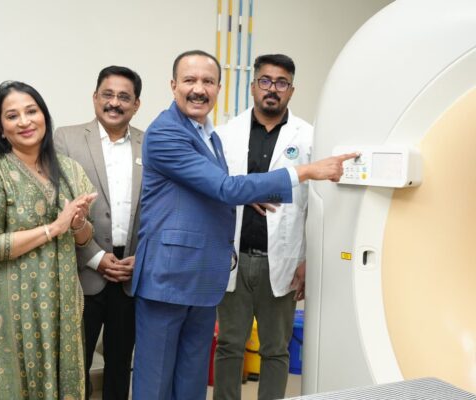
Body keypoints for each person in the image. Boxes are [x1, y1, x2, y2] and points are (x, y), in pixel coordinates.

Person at [130, 49, 356, 400]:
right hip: (169, 277)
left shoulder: (208, 135)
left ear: (219, 88)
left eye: (208, 81)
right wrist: (306, 171)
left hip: (204, 276)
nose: (199, 89)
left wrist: (245, 196)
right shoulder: (166, 133)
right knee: (157, 382)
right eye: (190, 80)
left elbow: (210, 188)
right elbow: (224, 187)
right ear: (173, 85)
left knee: (191, 381)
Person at [0, 81, 97, 400]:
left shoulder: (70, 170)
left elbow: (83, 238)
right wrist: (55, 227)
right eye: (12, 116)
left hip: (61, 300)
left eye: (31, 111)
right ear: (1, 129)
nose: (24, 121)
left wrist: (77, 224)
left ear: (44, 116)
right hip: (9, 303)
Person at [213, 54, 311, 400]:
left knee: (276, 348)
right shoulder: (225, 134)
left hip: (282, 259)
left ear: (291, 90)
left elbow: (316, 204)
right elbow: (215, 190)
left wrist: (307, 259)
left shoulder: (308, 138)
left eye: (281, 83)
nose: (273, 89)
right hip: (234, 257)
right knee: (229, 344)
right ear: (254, 86)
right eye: (266, 81)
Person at [54, 65, 143, 399]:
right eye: (108, 94)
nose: (114, 103)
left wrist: (141, 258)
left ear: (136, 104)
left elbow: (158, 210)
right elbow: (58, 202)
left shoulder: (150, 144)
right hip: (83, 268)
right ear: (95, 97)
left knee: (121, 364)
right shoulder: (66, 138)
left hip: (131, 270)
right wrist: (94, 256)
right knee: (76, 365)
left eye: (124, 97)